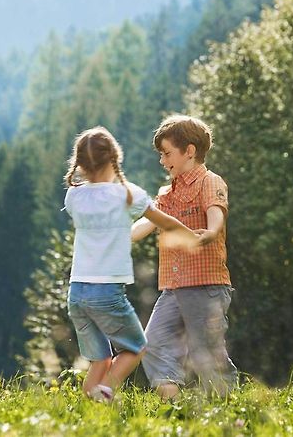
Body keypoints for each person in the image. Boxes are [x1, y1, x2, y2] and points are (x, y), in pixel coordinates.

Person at [63, 126, 197, 402]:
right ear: (115, 158)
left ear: (80, 165)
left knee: (99, 360)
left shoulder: (73, 196)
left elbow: (111, 222)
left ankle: (90, 405)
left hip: (77, 293)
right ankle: (106, 391)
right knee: (136, 348)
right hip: (107, 292)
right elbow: (165, 222)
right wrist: (193, 237)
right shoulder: (128, 194)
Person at [132, 115, 238, 399]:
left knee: (206, 352)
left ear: (189, 151)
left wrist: (211, 231)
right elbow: (148, 223)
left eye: (167, 153)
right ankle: (172, 402)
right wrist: (117, 238)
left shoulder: (209, 182)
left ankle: (227, 409)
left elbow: (216, 212)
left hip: (205, 285)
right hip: (173, 288)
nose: (162, 160)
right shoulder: (166, 193)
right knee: (154, 342)